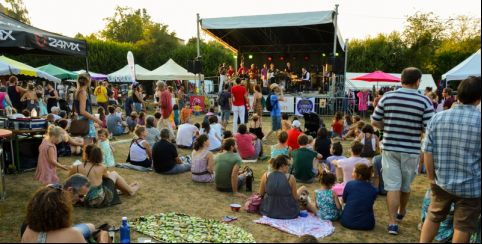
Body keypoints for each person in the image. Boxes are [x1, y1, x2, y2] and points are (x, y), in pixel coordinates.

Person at [371, 67, 434, 235]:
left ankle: (392, 223)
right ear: (418, 81)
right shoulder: (424, 101)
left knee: (392, 186)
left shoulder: (387, 97)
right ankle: (401, 211)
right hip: (411, 150)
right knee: (405, 186)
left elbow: (375, 121)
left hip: (390, 148)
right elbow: (430, 128)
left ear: (401, 80)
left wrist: (389, 127)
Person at [420, 76, 481, 243]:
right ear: (479, 98)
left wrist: (431, 178)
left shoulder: (437, 118)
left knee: (433, 217)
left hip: (441, 181)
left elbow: (428, 152)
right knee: (463, 226)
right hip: (471, 186)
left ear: (458, 95)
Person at [21, 186, 106, 243]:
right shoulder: (73, 235)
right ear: (63, 211)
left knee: (90, 227)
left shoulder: (28, 231)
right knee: (100, 232)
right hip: (70, 233)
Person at [70, 144, 139, 208]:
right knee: (114, 174)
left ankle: (126, 188)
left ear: (85, 154)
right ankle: (130, 190)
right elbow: (108, 179)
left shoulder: (76, 167)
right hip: (98, 200)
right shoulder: (101, 167)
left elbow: (69, 183)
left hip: (83, 199)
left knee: (107, 176)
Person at [259, 155, 301, 219]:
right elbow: (295, 198)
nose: (289, 167)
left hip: (268, 211)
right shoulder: (290, 178)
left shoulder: (266, 175)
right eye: (288, 165)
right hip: (287, 212)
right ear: (283, 166)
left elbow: (261, 194)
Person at [340, 164, 378, 230]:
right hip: (367, 224)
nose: (352, 173)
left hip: (347, 222)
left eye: (353, 172)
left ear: (359, 175)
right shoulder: (374, 189)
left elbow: (344, 200)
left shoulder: (350, 184)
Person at [74, 74, 103, 145]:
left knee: (89, 145)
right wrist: (96, 119)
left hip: (84, 119)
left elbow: (78, 110)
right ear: (88, 81)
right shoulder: (82, 92)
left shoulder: (78, 91)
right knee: (88, 146)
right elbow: (82, 111)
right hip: (85, 121)